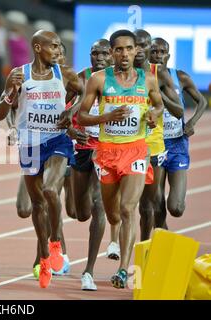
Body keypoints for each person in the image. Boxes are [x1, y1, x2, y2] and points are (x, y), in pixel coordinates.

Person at [0, 30, 83, 289]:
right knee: (36, 205)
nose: (58, 51)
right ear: (37, 47)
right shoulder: (18, 74)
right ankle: (43, 258)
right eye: (53, 46)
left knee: (50, 190)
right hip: (30, 143)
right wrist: (11, 93)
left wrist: (72, 112)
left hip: (57, 139)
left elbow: (85, 94)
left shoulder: (64, 74)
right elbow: (1, 113)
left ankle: (56, 243)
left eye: (58, 46)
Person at [77, 29, 163, 289]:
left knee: (128, 209)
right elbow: (81, 116)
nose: (124, 54)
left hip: (136, 150)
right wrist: (106, 118)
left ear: (137, 50)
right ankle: (116, 240)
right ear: (112, 52)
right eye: (119, 49)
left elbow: (158, 105)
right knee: (113, 213)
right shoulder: (99, 79)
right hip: (107, 153)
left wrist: (153, 115)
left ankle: (124, 269)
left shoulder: (147, 79)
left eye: (129, 49)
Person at [68, 39, 114, 290]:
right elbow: (61, 115)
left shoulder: (120, 82)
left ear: (112, 56)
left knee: (99, 205)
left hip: (106, 148)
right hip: (81, 147)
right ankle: (67, 181)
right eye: (94, 53)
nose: (98, 57)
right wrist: (71, 132)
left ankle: (89, 270)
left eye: (103, 53)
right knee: (80, 212)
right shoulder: (79, 79)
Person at [149, 37, 207, 229]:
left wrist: (192, 122)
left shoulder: (179, 76)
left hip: (177, 144)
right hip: (155, 144)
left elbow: (202, 101)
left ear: (168, 55)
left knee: (176, 207)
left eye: (161, 52)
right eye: (154, 52)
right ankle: (163, 241)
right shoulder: (143, 78)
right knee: (156, 206)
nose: (158, 56)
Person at [133, 29, 184, 241]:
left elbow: (179, 111)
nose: (138, 50)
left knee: (151, 205)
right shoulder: (113, 73)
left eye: (144, 46)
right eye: (134, 46)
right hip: (122, 145)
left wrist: (158, 97)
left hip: (153, 146)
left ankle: (149, 249)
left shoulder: (159, 74)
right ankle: (118, 246)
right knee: (118, 207)